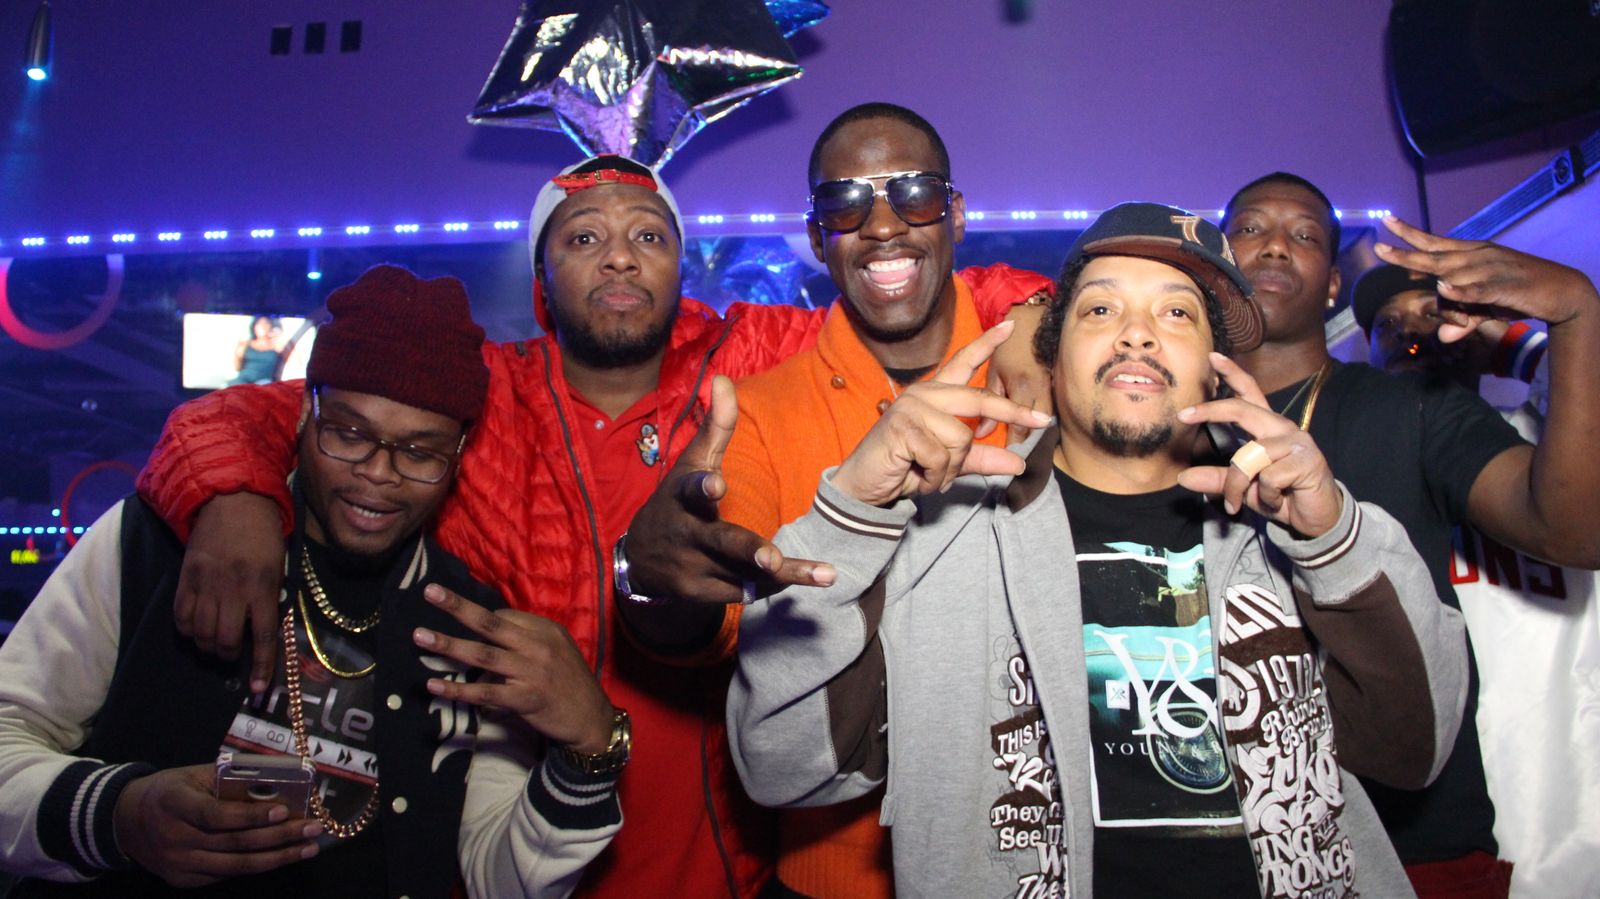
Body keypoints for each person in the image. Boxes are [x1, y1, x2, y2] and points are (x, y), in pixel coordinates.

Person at [130, 154, 1040, 897]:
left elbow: (956, 291)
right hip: (518, 840)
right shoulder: (485, 393)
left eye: (648, 236)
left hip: (728, 852)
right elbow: (262, 415)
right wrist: (236, 499)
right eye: (584, 238)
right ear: (540, 281)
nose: (619, 259)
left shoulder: (756, 351)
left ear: (680, 269)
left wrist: (1038, 324)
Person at [727, 202, 1468, 897]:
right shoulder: (938, 537)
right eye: (1101, 309)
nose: (1137, 335)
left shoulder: (1301, 527)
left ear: (1215, 364)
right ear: (1052, 357)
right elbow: (781, 765)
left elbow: (1416, 748)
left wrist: (1332, 542)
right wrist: (853, 511)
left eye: (1176, 313)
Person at [0, 264, 622, 898]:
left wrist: (585, 759)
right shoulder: (160, 542)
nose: (378, 472)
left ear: (459, 453)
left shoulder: (468, 623)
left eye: (419, 451)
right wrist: (118, 816)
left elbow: (501, 881)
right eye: (348, 434)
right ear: (303, 412)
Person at [618, 102, 1054, 897]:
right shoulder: (756, 410)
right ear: (817, 238)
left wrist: (1041, 321)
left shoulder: (1039, 374)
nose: (882, 224)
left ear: (956, 214)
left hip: (1034, 862)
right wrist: (651, 583)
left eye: (914, 192)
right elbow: (715, 612)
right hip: (833, 875)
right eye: (844, 203)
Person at [1219, 172, 1600, 898]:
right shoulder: (1162, 420)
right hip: (1218, 852)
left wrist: (1577, 314)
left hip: (1412, 850)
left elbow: (1575, 533)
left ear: (1333, 285)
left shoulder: (1415, 407)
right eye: (1250, 228)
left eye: (1304, 234)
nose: (1274, 245)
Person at [1353, 263, 1600, 898]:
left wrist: (1515, 346)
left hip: (1574, 811)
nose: (1412, 335)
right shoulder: (1353, 478)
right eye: (1388, 326)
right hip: (1442, 827)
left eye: (1433, 316)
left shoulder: (1548, 446)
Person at [231, 315, 286, 385]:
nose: (263, 326)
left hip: (265, 383)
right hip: (243, 381)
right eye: (259, 323)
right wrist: (238, 353)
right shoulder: (245, 344)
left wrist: (281, 339)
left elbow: (293, 363)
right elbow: (237, 367)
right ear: (254, 327)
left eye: (266, 323)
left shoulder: (276, 346)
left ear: (271, 326)